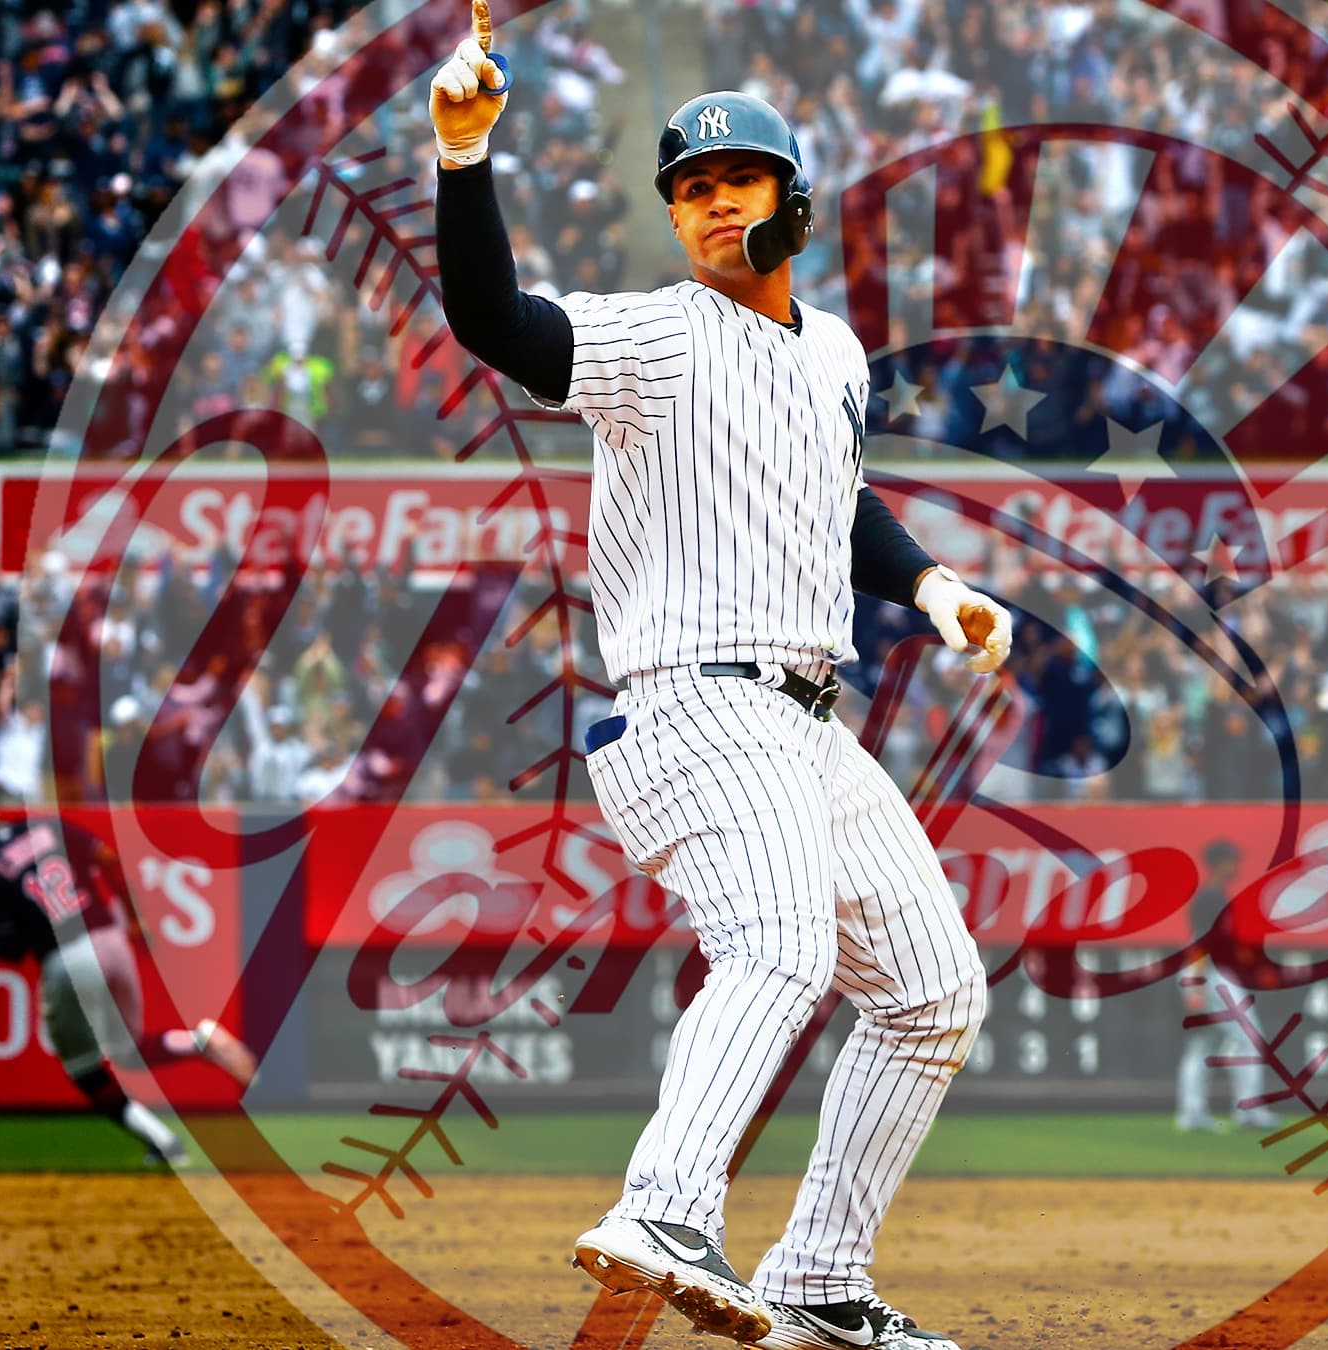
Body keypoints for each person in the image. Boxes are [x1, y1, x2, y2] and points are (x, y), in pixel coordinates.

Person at [427, 8, 1012, 1346]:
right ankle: (663, 1206)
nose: (705, 205)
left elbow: (837, 503)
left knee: (933, 990)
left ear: (791, 196)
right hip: (693, 693)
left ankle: (819, 1281)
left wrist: (932, 587)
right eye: (686, 189)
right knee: (781, 946)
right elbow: (495, 320)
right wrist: (465, 161)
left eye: (732, 180)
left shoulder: (835, 352)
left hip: (807, 717)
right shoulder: (660, 336)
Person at [0, 787, 258, 1165]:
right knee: (130, 1050)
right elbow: (107, 857)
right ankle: (201, 1041)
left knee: (85, 1068)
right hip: (109, 937)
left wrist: (18, 926)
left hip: (66, 957)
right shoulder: (46, 827)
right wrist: (135, 919)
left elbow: (7, 951)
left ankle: (166, 1144)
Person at [1175, 841, 1277, 1133]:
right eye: (1231, 860)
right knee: (1249, 1038)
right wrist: (1195, 985)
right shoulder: (1211, 897)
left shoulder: (1215, 895)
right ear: (1218, 863)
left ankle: (1191, 1113)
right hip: (1208, 974)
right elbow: (1201, 942)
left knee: (1201, 1044)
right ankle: (1249, 1111)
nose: (1235, 866)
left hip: (1208, 972)